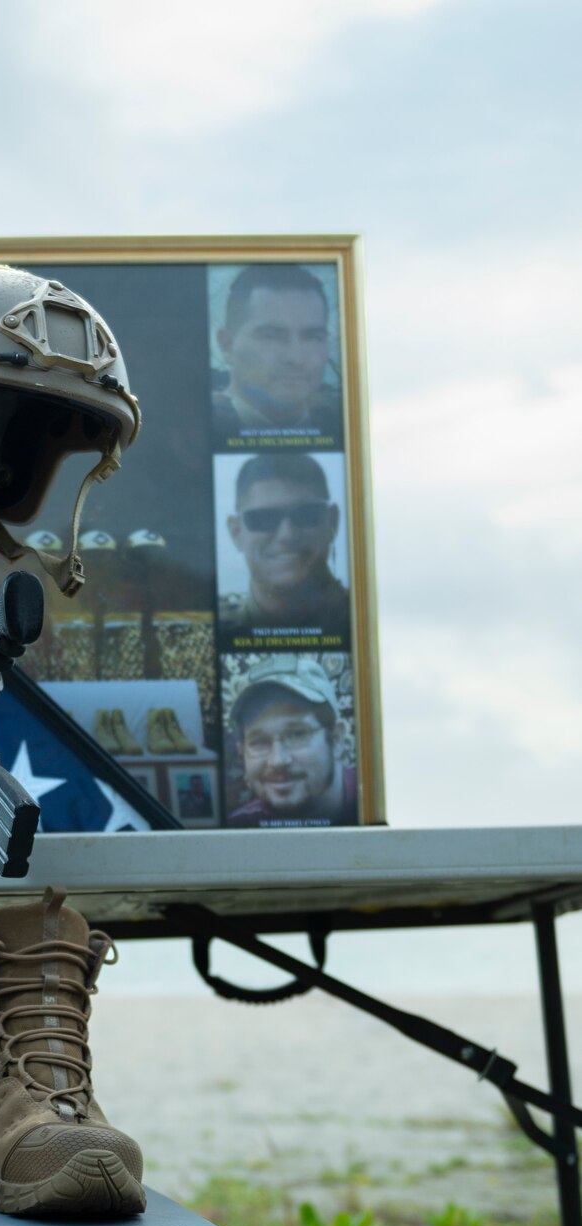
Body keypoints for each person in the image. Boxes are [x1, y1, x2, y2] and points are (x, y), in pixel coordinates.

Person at [218, 453, 349, 642]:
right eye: (264, 518)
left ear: (333, 522)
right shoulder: (215, 626)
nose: (287, 534)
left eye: (306, 515)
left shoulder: (362, 618)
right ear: (236, 532)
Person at [212, 265, 343, 440]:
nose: (296, 358)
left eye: (313, 337)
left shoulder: (340, 425)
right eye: (271, 336)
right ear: (227, 345)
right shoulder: (197, 430)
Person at [227, 657, 356, 826]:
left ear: (336, 739)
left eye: (297, 735)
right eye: (259, 742)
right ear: (242, 752)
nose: (278, 761)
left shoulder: (378, 802)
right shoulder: (238, 828)